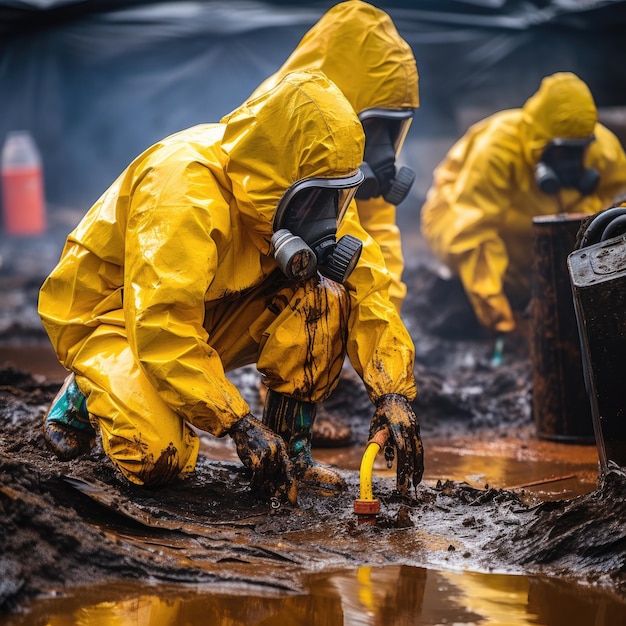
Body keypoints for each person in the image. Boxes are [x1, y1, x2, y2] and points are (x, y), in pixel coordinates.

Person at [38, 69, 423, 501]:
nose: (327, 218)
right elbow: (162, 325)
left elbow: (367, 291)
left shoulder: (313, 179)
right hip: (118, 318)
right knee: (157, 456)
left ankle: (290, 454)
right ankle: (86, 389)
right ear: (276, 176)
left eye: (337, 197)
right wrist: (238, 425)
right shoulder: (183, 189)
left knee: (327, 294)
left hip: (202, 308)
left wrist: (393, 393)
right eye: (315, 200)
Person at [248, 0, 420, 445]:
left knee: (348, 292)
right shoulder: (281, 123)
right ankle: (270, 389)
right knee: (315, 290)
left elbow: (376, 253)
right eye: (373, 127)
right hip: (253, 291)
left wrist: (385, 368)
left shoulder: (354, 169)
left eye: (391, 129)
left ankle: (294, 425)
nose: (382, 150)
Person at [420, 71, 626, 341]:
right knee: (464, 242)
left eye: (579, 151)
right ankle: (492, 298)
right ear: (539, 142)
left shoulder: (603, 150)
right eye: (562, 152)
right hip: (462, 218)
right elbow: (471, 234)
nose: (572, 162)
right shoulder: (497, 149)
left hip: (533, 234)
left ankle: (546, 293)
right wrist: (503, 324)